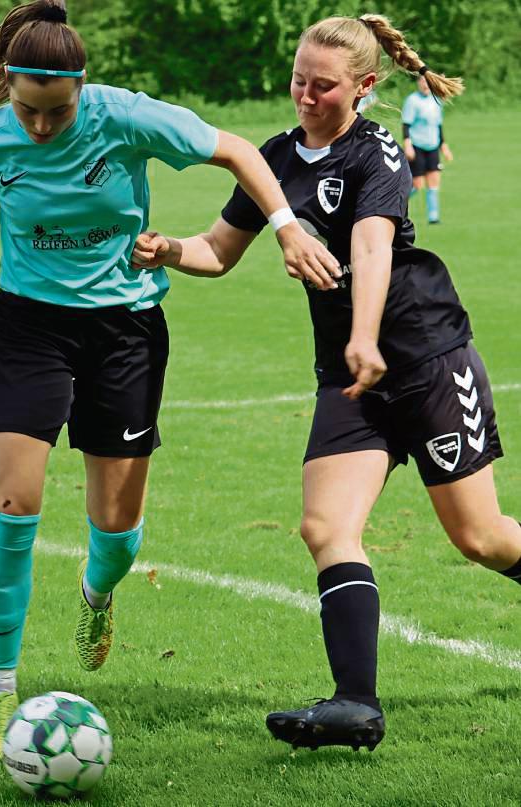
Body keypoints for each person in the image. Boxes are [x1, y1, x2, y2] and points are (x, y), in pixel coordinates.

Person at [0, 0, 341, 762]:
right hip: (31, 325)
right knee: (12, 500)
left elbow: (237, 151)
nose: (37, 126)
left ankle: (97, 598)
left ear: (82, 90)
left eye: (54, 112)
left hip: (125, 327)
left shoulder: (125, 117)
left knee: (117, 528)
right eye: (26, 110)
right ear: (9, 88)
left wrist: (288, 225)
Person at [132, 14, 521, 752]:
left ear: (365, 86)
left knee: (483, 538)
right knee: (325, 527)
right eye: (298, 80)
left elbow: (373, 249)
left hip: (427, 358)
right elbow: (218, 251)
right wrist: (165, 251)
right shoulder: (277, 156)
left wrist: (366, 335)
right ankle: (355, 704)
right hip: (349, 375)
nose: (305, 95)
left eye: (324, 85)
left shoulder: (377, 151)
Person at [402, 74, 454, 223]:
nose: (425, 85)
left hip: (432, 146)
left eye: (427, 82)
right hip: (417, 145)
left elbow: (438, 125)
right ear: (418, 83)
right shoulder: (412, 101)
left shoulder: (436, 100)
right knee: (417, 184)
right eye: (422, 81)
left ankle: (433, 217)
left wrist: (443, 146)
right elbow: (406, 124)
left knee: (434, 182)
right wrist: (408, 145)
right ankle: (395, 202)